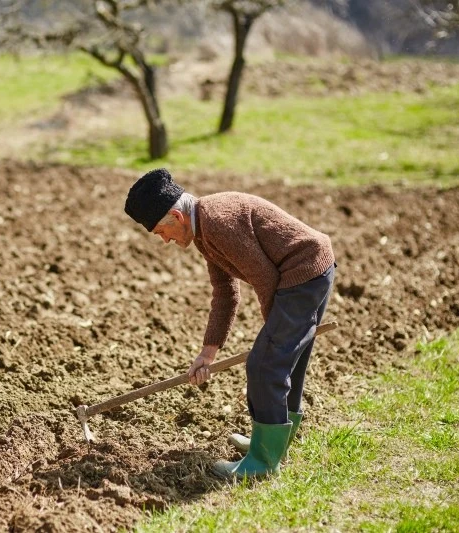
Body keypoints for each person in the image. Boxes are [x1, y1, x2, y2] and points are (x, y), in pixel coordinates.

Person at [124, 168, 335, 480]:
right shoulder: (203, 230)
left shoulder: (217, 223)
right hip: (311, 270)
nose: (165, 240)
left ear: (177, 217)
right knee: (284, 361)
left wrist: (273, 336)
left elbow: (266, 278)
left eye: (161, 232)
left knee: (265, 365)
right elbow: (225, 292)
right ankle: (274, 441)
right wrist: (207, 353)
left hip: (302, 273)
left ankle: (263, 461)